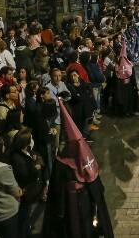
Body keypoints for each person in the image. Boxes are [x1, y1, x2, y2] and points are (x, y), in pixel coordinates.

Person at [44, 101, 114, 238]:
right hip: (72, 202)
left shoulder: (65, 162)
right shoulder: (63, 162)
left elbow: (56, 190)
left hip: (81, 201)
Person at [9, 128, 45, 237]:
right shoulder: (17, 158)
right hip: (25, 193)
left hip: (30, 191)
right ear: (26, 142)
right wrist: (36, 167)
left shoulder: (26, 150)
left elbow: (39, 157)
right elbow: (26, 176)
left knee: (26, 218)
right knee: (23, 218)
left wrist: (36, 162)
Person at [111, 38, 139, 117]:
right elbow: (133, 76)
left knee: (124, 99)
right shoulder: (129, 65)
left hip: (121, 86)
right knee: (127, 99)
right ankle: (128, 111)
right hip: (126, 85)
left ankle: (125, 111)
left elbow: (115, 77)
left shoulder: (117, 66)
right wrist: (135, 84)